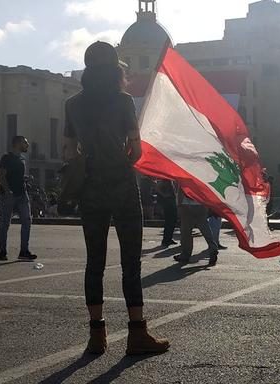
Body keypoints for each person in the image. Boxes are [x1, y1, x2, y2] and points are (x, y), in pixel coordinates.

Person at [62, 42, 169, 355]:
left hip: (90, 188)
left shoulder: (73, 104)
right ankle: (137, 333)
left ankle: (97, 335)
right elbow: (135, 149)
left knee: (94, 262)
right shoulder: (123, 101)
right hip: (122, 185)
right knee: (130, 263)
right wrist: (121, 158)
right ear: (115, 70)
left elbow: (69, 150)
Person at [0, 136, 37, 262]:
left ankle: (24, 251)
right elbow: (1, 175)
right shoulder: (6, 158)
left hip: (22, 194)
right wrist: (7, 190)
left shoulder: (22, 159)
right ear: (18, 143)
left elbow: (17, 175)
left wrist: (26, 178)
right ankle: (2, 252)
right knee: (5, 224)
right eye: (25, 142)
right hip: (8, 195)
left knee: (27, 221)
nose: (27, 145)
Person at [175, 191, 218, 265]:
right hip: (201, 205)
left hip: (187, 205)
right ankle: (213, 248)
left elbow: (181, 191)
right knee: (206, 230)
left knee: (186, 232)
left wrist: (179, 205)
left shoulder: (185, 179)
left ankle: (185, 254)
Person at [155, 179, 178, 247]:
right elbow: (157, 187)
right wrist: (164, 195)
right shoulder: (165, 179)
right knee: (169, 222)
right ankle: (166, 240)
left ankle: (169, 238)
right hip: (168, 202)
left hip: (171, 202)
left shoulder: (169, 180)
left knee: (172, 222)